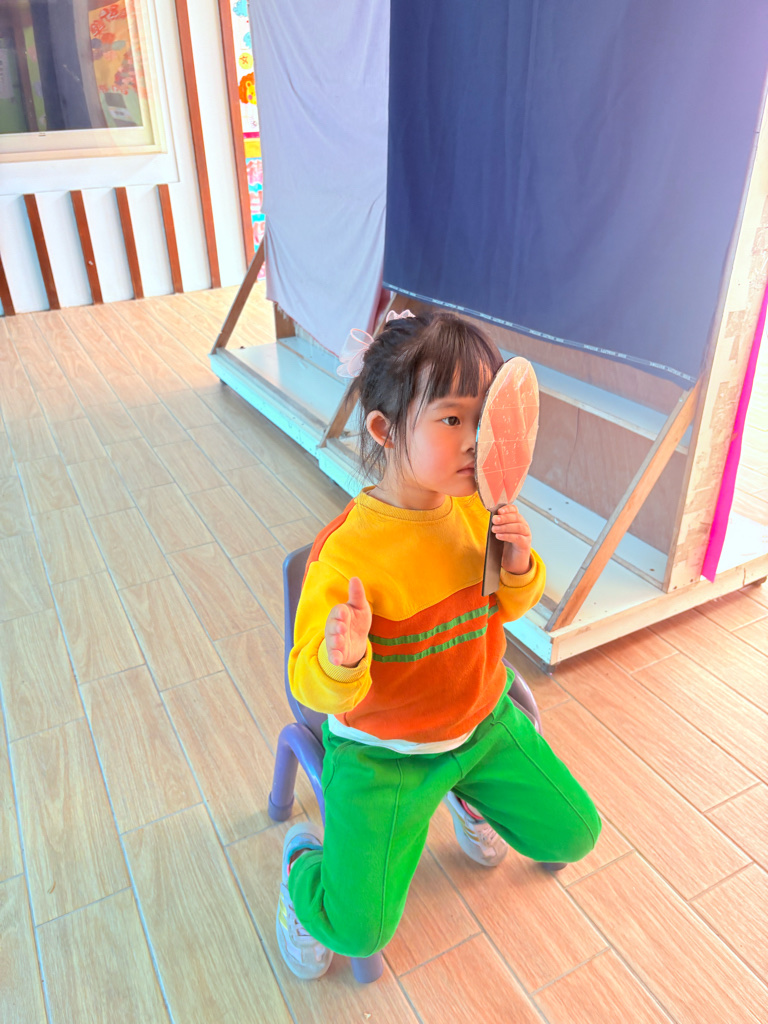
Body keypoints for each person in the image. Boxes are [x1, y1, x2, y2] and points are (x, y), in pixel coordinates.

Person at [276, 310, 601, 979]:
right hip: (385, 756)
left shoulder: (480, 507)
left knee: (576, 833)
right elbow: (306, 681)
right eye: (452, 418)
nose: (477, 439)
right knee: (357, 931)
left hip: (481, 726)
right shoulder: (345, 556)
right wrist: (342, 659)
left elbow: (507, 606)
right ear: (384, 430)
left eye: (484, 416)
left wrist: (518, 564)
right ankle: (303, 869)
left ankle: (467, 794)